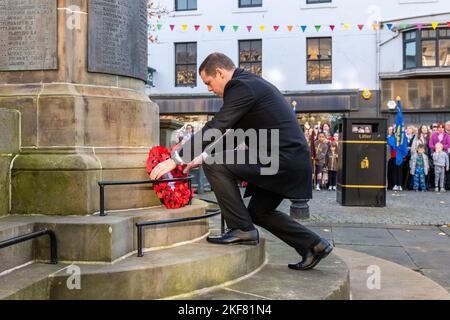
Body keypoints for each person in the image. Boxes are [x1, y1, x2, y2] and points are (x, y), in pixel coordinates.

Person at [149, 53, 332, 271]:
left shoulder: (240, 87)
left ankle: (241, 229)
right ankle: (313, 245)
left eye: (208, 82)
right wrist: (201, 156)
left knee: (215, 165)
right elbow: (234, 134)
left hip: (282, 158)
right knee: (259, 212)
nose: (209, 89)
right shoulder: (248, 85)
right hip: (287, 159)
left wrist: (176, 159)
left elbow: (217, 126)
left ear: (220, 73)